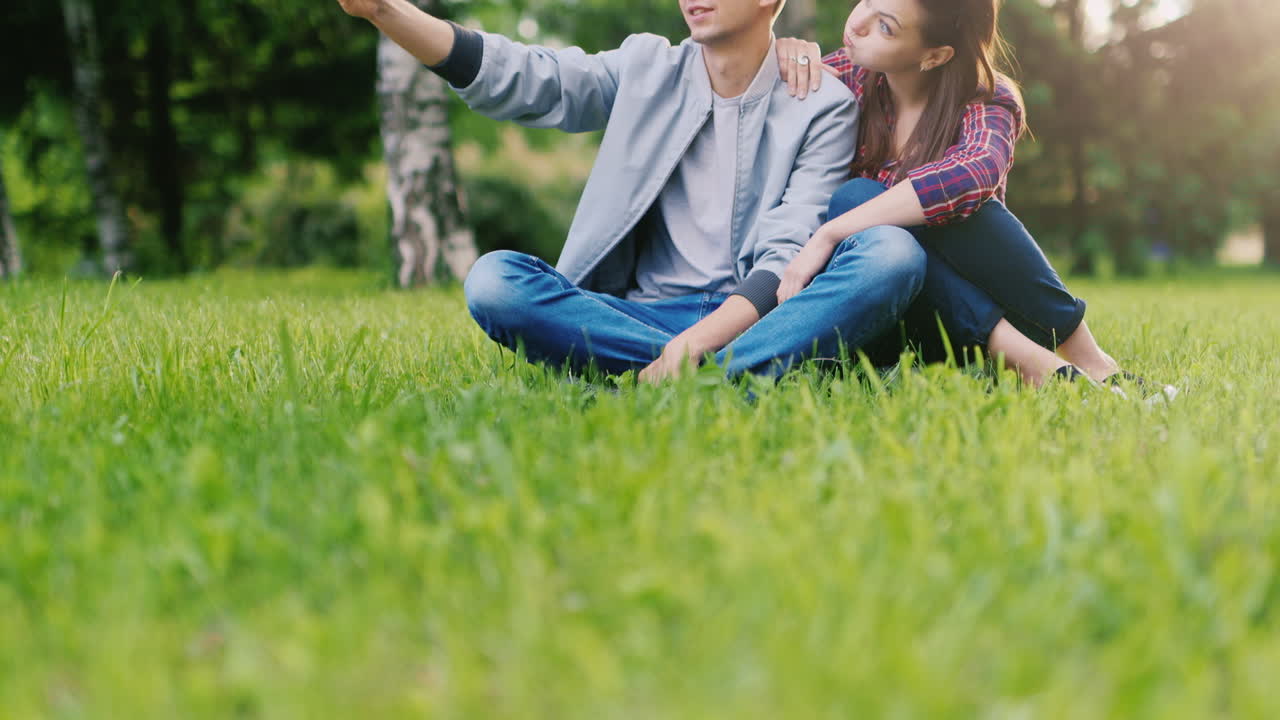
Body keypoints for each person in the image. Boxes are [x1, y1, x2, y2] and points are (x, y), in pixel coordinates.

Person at [337, 0, 929, 383]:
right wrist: (388, 12)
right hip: (638, 311)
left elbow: (786, 251)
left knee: (893, 255)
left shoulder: (823, 103)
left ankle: (700, 368)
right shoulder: (645, 66)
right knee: (495, 281)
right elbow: (529, 79)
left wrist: (700, 340)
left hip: (756, 313)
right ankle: (739, 375)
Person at [773, 0, 1172, 394]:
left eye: (885, 26)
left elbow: (973, 173)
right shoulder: (843, 76)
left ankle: (1090, 360)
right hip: (883, 318)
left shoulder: (987, 97)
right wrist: (781, 50)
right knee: (857, 197)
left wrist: (829, 233)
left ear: (935, 55)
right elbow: (743, 80)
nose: (857, 24)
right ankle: (1030, 362)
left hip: (961, 324)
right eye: (866, 2)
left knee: (954, 205)